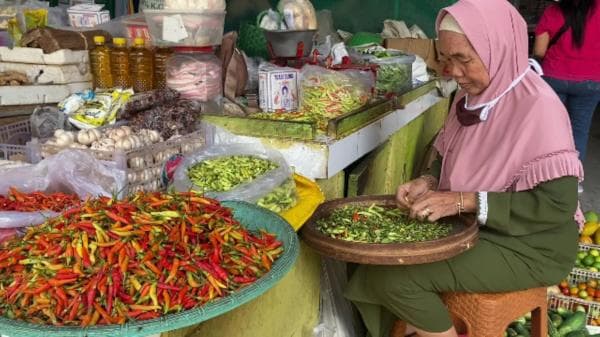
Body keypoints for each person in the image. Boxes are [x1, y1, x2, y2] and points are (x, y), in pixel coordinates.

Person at [344, 1, 584, 337]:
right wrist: (428, 181)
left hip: (531, 245)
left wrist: (463, 201)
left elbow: (555, 207)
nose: (453, 72)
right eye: (445, 59)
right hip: (481, 228)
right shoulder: (472, 96)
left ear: (499, 50)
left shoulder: (538, 109)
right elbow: (452, 156)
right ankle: (419, 327)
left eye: (464, 60)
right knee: (382, 256)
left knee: (396, 276)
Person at [534, 0, 600, 164]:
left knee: (552, 127)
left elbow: (539, 51)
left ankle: (546, 175)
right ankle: (573, 179)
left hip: (553, 78)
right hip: (591, 81)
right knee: (579, 129)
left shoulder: (553, 11)